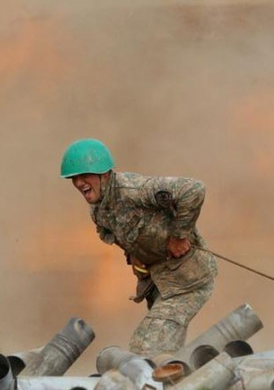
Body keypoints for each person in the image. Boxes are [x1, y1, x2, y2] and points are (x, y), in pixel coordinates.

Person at [60, 138, 217, 357]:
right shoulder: (99, 211)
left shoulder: (134, 190)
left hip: (188, 280)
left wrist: (180, 237)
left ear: (104, 174)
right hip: (160, 284)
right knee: (166, 352)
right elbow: (124, 235)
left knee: (147, 347)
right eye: (74, 178)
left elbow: (194, 189)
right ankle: (180, 386)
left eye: (84, 176)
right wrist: (134, 255)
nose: (78, 183)